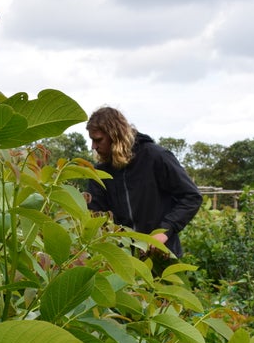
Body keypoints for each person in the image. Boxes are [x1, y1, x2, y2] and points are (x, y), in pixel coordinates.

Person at [85, 106, 202, 258]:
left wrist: (164, 231)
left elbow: (191, 196)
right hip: (123, 260)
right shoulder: (100, 173)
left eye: (98, 140)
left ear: (115, 135)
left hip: (162, 255)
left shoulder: (156, 157)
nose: (94, 146)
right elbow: (95, 215)